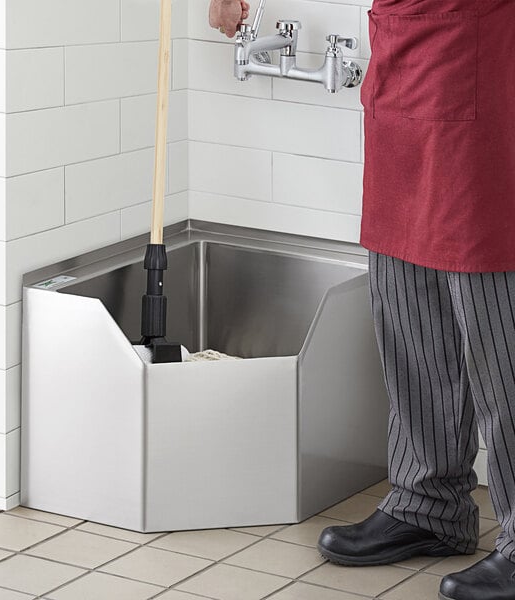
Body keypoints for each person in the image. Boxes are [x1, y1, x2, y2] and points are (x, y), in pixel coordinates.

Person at [209, 1, 515, 599]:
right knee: (408, 308)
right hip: (405, 65)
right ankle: (428, 504)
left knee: (499, 338)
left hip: (483, 66)